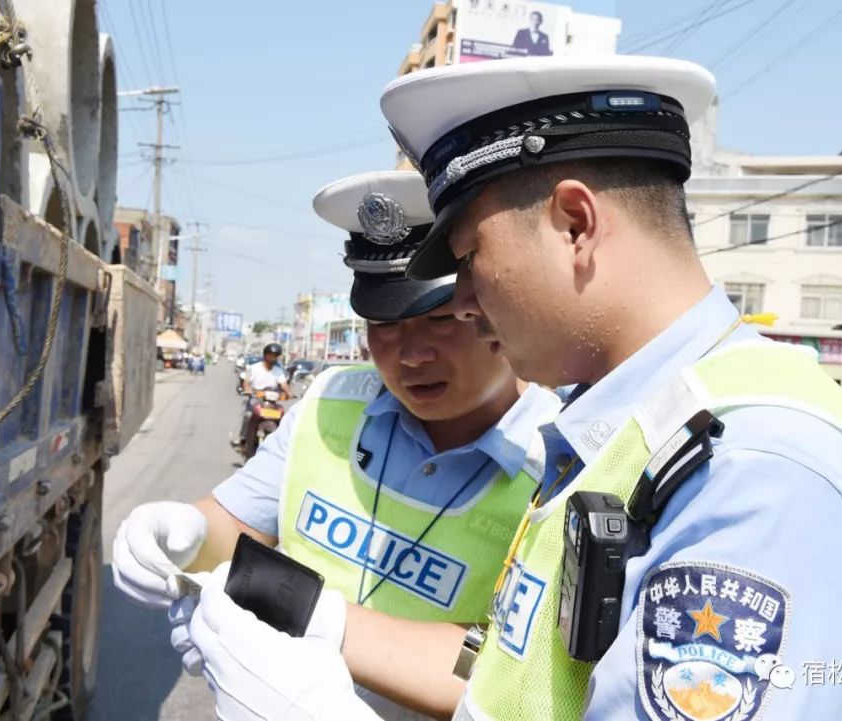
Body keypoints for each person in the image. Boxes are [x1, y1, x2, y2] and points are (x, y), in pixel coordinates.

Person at [184, 56, 842, 721]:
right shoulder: (634, 433)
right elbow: (519, 682)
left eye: (472, 258)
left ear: (575, 223)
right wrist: (317, 621)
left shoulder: (756, 479)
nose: (468, 303)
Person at [111, 170, 560, 720]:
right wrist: (186, 533)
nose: (410, 353)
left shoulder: (560, 464)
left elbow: (520, 681)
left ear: (489, 301)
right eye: (383, 324)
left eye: (441, 319)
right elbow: (232, 526)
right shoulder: (329, 406)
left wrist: (319, 626)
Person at [233, 343, 291, 455]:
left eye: (275, 355)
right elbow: (246, 382)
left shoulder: (278, 371)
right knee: (248, 415)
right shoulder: (255, 368)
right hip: (256, 398)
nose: (272, 357)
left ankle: (281, 444)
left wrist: (289, 393)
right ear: (265, 355)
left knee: (282, 415)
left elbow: (284, 384)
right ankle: (243, 439)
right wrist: (248, 389)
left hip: (272, 401)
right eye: (270, 355)